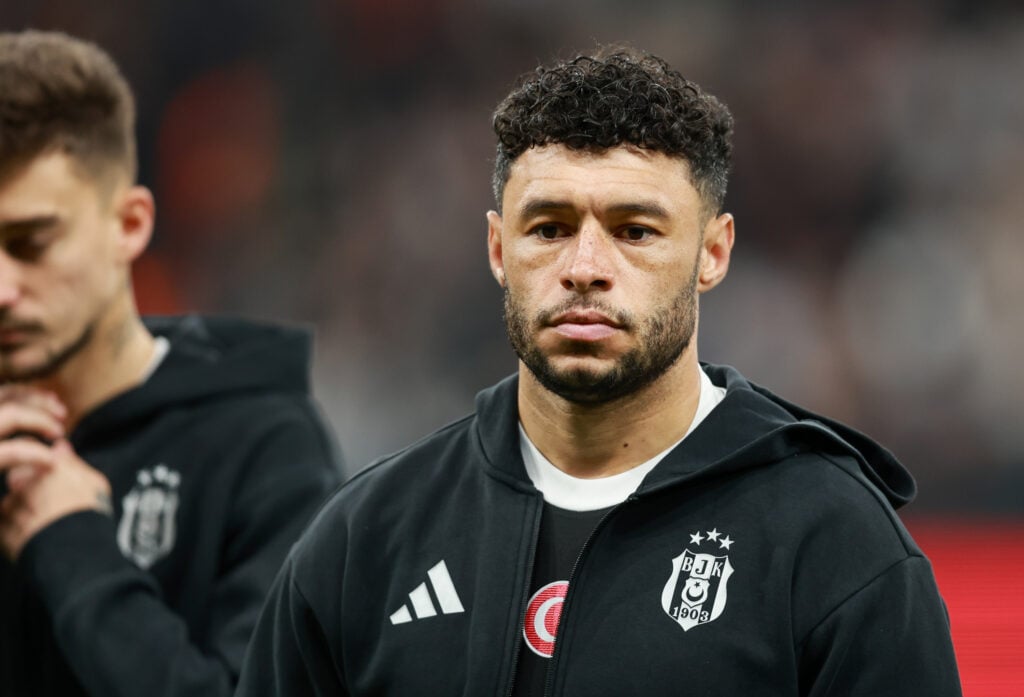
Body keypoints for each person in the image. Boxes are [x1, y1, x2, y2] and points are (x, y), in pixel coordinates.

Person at [236, 46, 962, 696]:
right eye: (549, 228)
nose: (585, 268)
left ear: (713, 253)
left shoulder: (833, 544)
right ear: (497, 248)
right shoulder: (366, 540)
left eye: (635, 231)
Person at [0, 30, 343, 696]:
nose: (1, 290)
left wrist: (73, 543)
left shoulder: (265, 446)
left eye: (30, 242)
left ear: (129, 224)